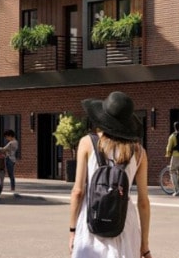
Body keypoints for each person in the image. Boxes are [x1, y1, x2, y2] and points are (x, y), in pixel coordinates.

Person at [68, 91, 152, 258]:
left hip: (91, 220)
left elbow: (78, 191)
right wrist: (144, 245)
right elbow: (143, 202)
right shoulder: (139, 152)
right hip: (124, 224)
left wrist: (72, 231)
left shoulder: (87, 143)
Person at [1, 129, 18, 193]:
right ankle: (12, 187)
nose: (6, 138)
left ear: (10, 136)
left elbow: (3, 149)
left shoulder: (11, 143)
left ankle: (12, 187)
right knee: (11, 174)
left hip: (9, 159)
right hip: (13, 159)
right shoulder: (16, 142)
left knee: (10, 174)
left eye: (6, 137)